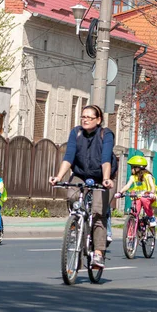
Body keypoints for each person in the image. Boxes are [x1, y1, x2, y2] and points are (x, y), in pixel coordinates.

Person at [49, 105, 117, 268]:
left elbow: (106, 158)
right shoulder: (76, 132)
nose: (85, 120)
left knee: (98, 212)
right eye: (83, 117)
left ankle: (99, 253)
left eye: (89, 117)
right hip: (81, 173)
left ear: (98, 120)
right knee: (72, 198)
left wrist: (107, 178)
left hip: (102, 176)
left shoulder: (105, 134)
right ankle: (77, 234)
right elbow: (69, 156)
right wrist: (58, 177)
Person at [116, 155, 157, 227]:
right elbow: (127, 186)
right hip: (138, 196)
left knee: (144, 200)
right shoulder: (133, 177)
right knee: (135, 210)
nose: (131, 169)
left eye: (132, 167)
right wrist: (120, 192)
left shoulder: (147, 176)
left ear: (138, 168)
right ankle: (133, 226)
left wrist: (151, 193)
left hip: (148, 196)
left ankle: (151, 217)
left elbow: (152, 186)